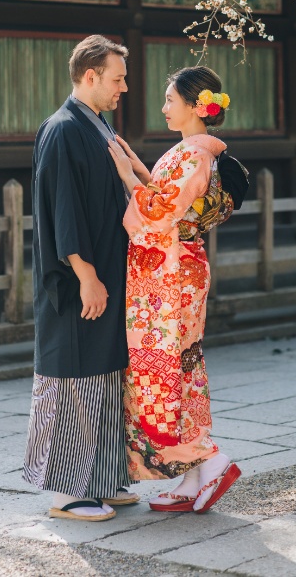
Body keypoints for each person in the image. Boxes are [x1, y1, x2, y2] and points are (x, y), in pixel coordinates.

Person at [108, 65, 241, 513]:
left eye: (170, 100)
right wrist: (139, 166)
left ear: (193, 106)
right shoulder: (190, 152)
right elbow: (166, 196)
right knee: (178, 367)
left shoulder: (193, 155)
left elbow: (161, 213)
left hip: (170, 276)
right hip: (174, 268)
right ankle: (189, 476)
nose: (164, 108)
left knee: (163, 369)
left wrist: (128, 175)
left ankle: (210, 459)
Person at [23, 35, 140, 522]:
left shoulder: (97, 126)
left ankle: (103, 480)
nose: (124, 88)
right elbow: (62, 210)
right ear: (89, 77)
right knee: (73, 377)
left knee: (106, 373)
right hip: (77, 283)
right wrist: (86, 276)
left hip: (107, 273)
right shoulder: (63, 129)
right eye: (117, 78)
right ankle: (67, 492)